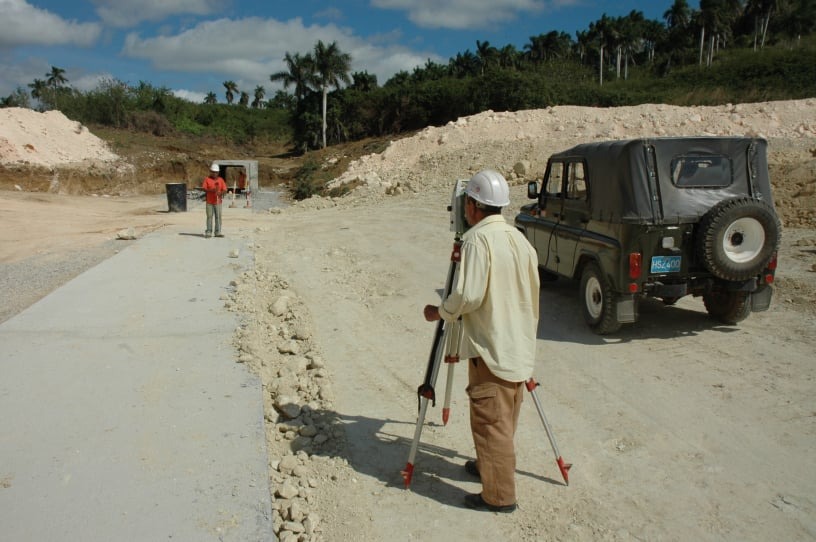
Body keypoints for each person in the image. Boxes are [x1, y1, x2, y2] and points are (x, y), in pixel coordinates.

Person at [423, 169, 540, 513]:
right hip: (516, 344)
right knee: (504, 415)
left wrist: (441, 311)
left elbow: (467, 296)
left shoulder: (476, 240)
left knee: (492, 423)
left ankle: (499, 496)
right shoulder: (519, 238)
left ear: (472, 205)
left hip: (492, 347)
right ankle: (488, 465)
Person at [201, 163, 227, 238]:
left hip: (218, 202)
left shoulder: (221, 180)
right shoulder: (207, 179)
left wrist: (220, 193)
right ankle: (208, 231)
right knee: (209, 216)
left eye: (216, 172)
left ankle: (218, 232)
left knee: (218, 217)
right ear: (210, 171)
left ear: (218, 172)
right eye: (213, 172)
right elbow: (204, 189)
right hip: (209, 202)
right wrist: (211, 190)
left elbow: (225, 189)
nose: (214, 173)